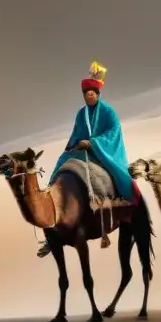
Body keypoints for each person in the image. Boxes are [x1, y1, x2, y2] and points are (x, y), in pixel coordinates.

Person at [36, 60, 134, 257]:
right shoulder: (81, 114)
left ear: (98, 94)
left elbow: (114, 133)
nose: (89, 95)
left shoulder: (108, 111)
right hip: (81, 151)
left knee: (118, 177)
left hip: (102, 152)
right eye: (86, 93)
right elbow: (76, 133)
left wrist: (92, 143)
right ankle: (51, 225)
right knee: (61, 164)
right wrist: (73, 145)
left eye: (92, 92)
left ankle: (128, 206)